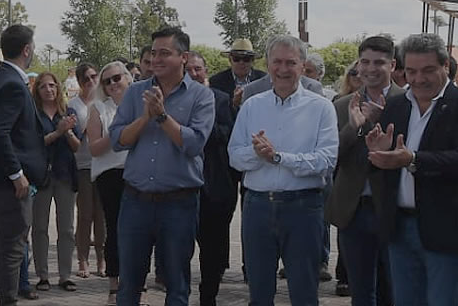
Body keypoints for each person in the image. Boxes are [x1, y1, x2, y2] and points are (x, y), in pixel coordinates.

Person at [364, 33, 458, 306]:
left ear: (446, 65)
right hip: (399, 228)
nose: (419, 79)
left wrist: (412, 159)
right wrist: (379, 154)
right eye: (411, 71)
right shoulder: (396, 106)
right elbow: (381, 169)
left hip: (445, 228)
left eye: (428, 70)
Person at [228, 34, 338, 305]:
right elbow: (234, 156)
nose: (283, 69)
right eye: (277, 62)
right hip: (257, 207)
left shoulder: (321, 108)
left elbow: (325, 160)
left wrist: (279, 158)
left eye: (291, 62)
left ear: (303, 66)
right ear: (267, 65)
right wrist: (258, 154)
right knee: (259, 292)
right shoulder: (253, 105)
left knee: (303, 292)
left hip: (304, 208)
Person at [110, 27, 215, 305]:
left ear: (184, 57)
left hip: (179, 204)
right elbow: (118, 139)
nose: (156, 59)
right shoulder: (135, 93)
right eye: (154, 53)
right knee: (129, 285)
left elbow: (193, 145)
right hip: (135, 201)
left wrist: (162, 116)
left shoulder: (201, 97)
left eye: (165, 53)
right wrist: (145, 117)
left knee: (177, 286)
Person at [326, 35, 406, 306]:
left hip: (394, 208)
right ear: (358, 65)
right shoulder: (340, 105)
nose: (371, 69)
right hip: (354, 209)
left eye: (379, 63)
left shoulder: (407, 102)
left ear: (393, 64)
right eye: (365, 62)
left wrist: (381, 123)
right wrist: (356, 126)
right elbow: (331, 157)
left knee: (393, 290)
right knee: (361, 292)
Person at [0, 25, 47, 306]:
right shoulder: (14, 85)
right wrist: (17, 174)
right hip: (9, 185)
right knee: (12, 249)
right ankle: (6, 300)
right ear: (27, 50)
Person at [185, 51, 236, 305]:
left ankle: (208, 297)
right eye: (189, 69)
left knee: (212, 250)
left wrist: (203, 121)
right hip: (183, 185)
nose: (194, 74)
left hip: (214, 185)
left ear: (205, 71)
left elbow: (226, 136)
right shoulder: (175, 100)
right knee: (181, 248)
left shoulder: (220, 99)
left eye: (198, 69)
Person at [87, 61, 133, 305]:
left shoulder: (140, 104)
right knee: (115, 229)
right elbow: (94, 148)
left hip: (136, 173)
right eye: (107, 81)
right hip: (110, 175)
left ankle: (137, 283)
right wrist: (116, 131)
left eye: (117, 78)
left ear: (127, 78)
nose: (113, 84)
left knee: (140, 231)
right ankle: (114, 285)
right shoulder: (98, 108)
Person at [31, 72, 81, 293]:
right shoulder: (33, 114)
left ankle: (65, 275)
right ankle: (43, 275)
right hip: (41, 177)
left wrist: (67, 132)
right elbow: (33, 146)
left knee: (67, 228)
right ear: (37, 90)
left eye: (52, 86)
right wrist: (56, 132)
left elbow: (77, 146)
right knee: (40, 227)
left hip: (64, 175)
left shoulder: (67, 112)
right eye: (43, 86)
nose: (49, 90)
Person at [68, 62, 107, 279]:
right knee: (85, 214)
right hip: (83, 165)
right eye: (86, 79)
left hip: (102, 165)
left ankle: (102, 258)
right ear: (80, 82)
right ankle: (82, 258)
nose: (91, 82)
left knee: (101, 215)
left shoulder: (103, 102)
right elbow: (74, 138)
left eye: (94, 77)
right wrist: (83, 129)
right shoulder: (74, 105)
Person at [209, 38, 267, 109]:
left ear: (252, 60)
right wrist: (233, 104)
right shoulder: (216, 81)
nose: (241, 62)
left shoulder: (264, 79)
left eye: (246, 59)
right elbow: (217, 110)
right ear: (230, 60)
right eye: (236, 58)